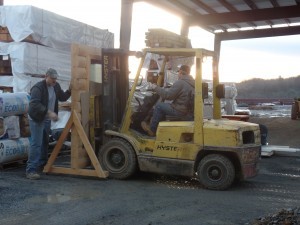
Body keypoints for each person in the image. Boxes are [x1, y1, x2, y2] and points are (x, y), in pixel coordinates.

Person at [26, 68, 71, 180]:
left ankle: (42, 164)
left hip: (46, 118)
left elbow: (62, 97)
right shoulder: (38, 88)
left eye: (56, 79)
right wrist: (49, 112)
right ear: (45, 76)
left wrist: (70, 90)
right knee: (36, 143)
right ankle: (31, 170)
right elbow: (34, 104)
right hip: (36, 118)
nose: (54, 81)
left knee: (45, 142)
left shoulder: (56, 86)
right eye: (52, 79)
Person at [141, 65, 194, 136]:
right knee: (164, 106)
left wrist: (155, 87)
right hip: (187, 111)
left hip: (180, 110)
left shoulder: (181, 82)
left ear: (180, 72)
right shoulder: (193, 82)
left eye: (178, 72)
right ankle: (159, 128)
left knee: (159, 106)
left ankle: (152, 130)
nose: (178, 74)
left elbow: (167, 96)